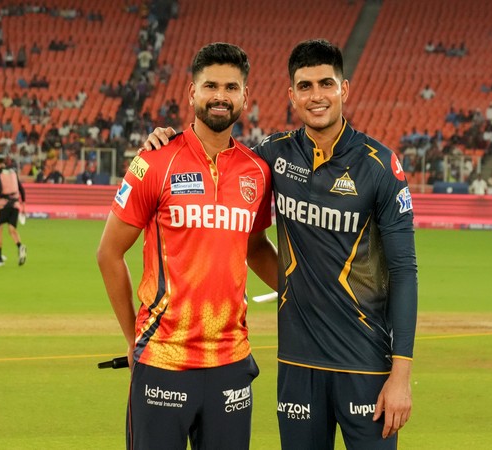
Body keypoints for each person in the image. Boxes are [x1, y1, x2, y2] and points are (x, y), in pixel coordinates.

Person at [144, 39, 418, 450]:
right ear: (291, 95)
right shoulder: (273, 156)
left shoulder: (380, 166)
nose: (317, 96)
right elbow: (219, 158)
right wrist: (166, 141)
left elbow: (404, 272)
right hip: (297, 364)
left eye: (326, 84)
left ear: (344, 89)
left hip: (364, 363)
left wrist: (401, 376)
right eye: (305, 86)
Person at [96, 42, 278, 450]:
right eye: (210, 85)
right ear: (191, 92)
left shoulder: (257, 171)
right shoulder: (154, 162)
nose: (220, 95)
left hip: (231, 363)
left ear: (245, 96)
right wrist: (133, 338)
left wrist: (299, 286)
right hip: (163, 360)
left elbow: (256, 246)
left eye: (231, 87)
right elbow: (108, 253)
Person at [0, 154, 27, 267]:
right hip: (15, 204)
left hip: (4, 205)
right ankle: (20, 246)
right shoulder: (13, 171)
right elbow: (21, 188)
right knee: (12, 229)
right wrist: (23, 204)